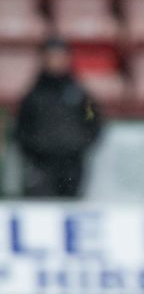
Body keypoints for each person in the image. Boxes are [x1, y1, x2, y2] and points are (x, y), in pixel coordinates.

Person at [13, 36, 102, 197]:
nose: (55, 61)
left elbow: (93, 119)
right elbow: (21, 128)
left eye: (60, 56)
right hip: (41, 165)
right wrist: (35, 150)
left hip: (72, 165)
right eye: (51, 56)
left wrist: (80, 145)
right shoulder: (33, 96)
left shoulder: (80, 94)